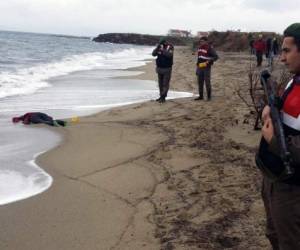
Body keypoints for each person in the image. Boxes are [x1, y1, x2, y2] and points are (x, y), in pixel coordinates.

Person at [256, 23, 300, 250]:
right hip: (274, 177)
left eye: (286, 50)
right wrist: (269, 108)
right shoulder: (296, 79)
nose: (281, 58)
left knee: (289, 242)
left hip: (292, 189)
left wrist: (273, 140)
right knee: (274, 234)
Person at [195, 36, 218, 101]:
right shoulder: (199, 48)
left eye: (202, 41)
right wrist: (197, 67)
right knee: (200, 82)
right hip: (200, 67)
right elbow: (199, 58)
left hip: (207, 67)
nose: (201, 42)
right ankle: (201, 96)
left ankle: (209, 97)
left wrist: (209, 61)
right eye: (200, 41)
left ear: (206, 41)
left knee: (207, 82)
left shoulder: (210, 48)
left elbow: (216, 57)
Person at [152, 37, 174, 103]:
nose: (161, 44)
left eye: (161, 43)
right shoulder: (159, 47)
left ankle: (163, 97)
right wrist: (157, 48)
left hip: (167, 68)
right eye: (160, 43)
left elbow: (169, 55)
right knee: (160, 84)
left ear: (165, 42)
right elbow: (153, 54)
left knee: (165, 84)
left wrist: (162, 50)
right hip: (159, 68)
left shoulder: (170, 47)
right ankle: (161, 96)